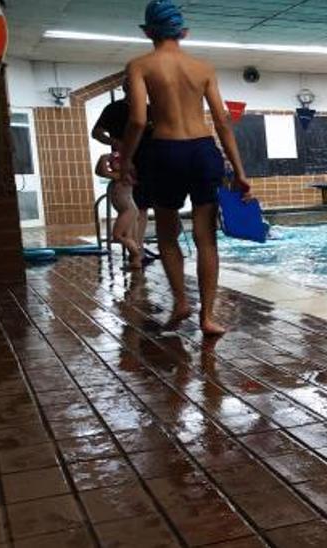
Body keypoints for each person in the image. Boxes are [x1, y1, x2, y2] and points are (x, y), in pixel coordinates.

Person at [118, 0, 250, 336]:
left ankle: (180, 302)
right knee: (207, 238)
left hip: (165, 152)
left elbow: (136, 119)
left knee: (166, 233)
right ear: (184, 32)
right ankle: (208, 318)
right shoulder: (203, 68)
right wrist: (240, 170)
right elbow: (222, 121)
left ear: (148, 32)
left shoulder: (139, 65)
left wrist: (127, 160)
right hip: (204, 151)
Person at [92, 80, 155, 268]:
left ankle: (138, 249)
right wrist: (115, 141)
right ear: (126, 89)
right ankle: (134, 249)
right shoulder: (114, 109)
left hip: (146, 162)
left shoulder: (150, 110)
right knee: (129, 208)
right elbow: (96, 132)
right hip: (124, 161)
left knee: (141, 207)